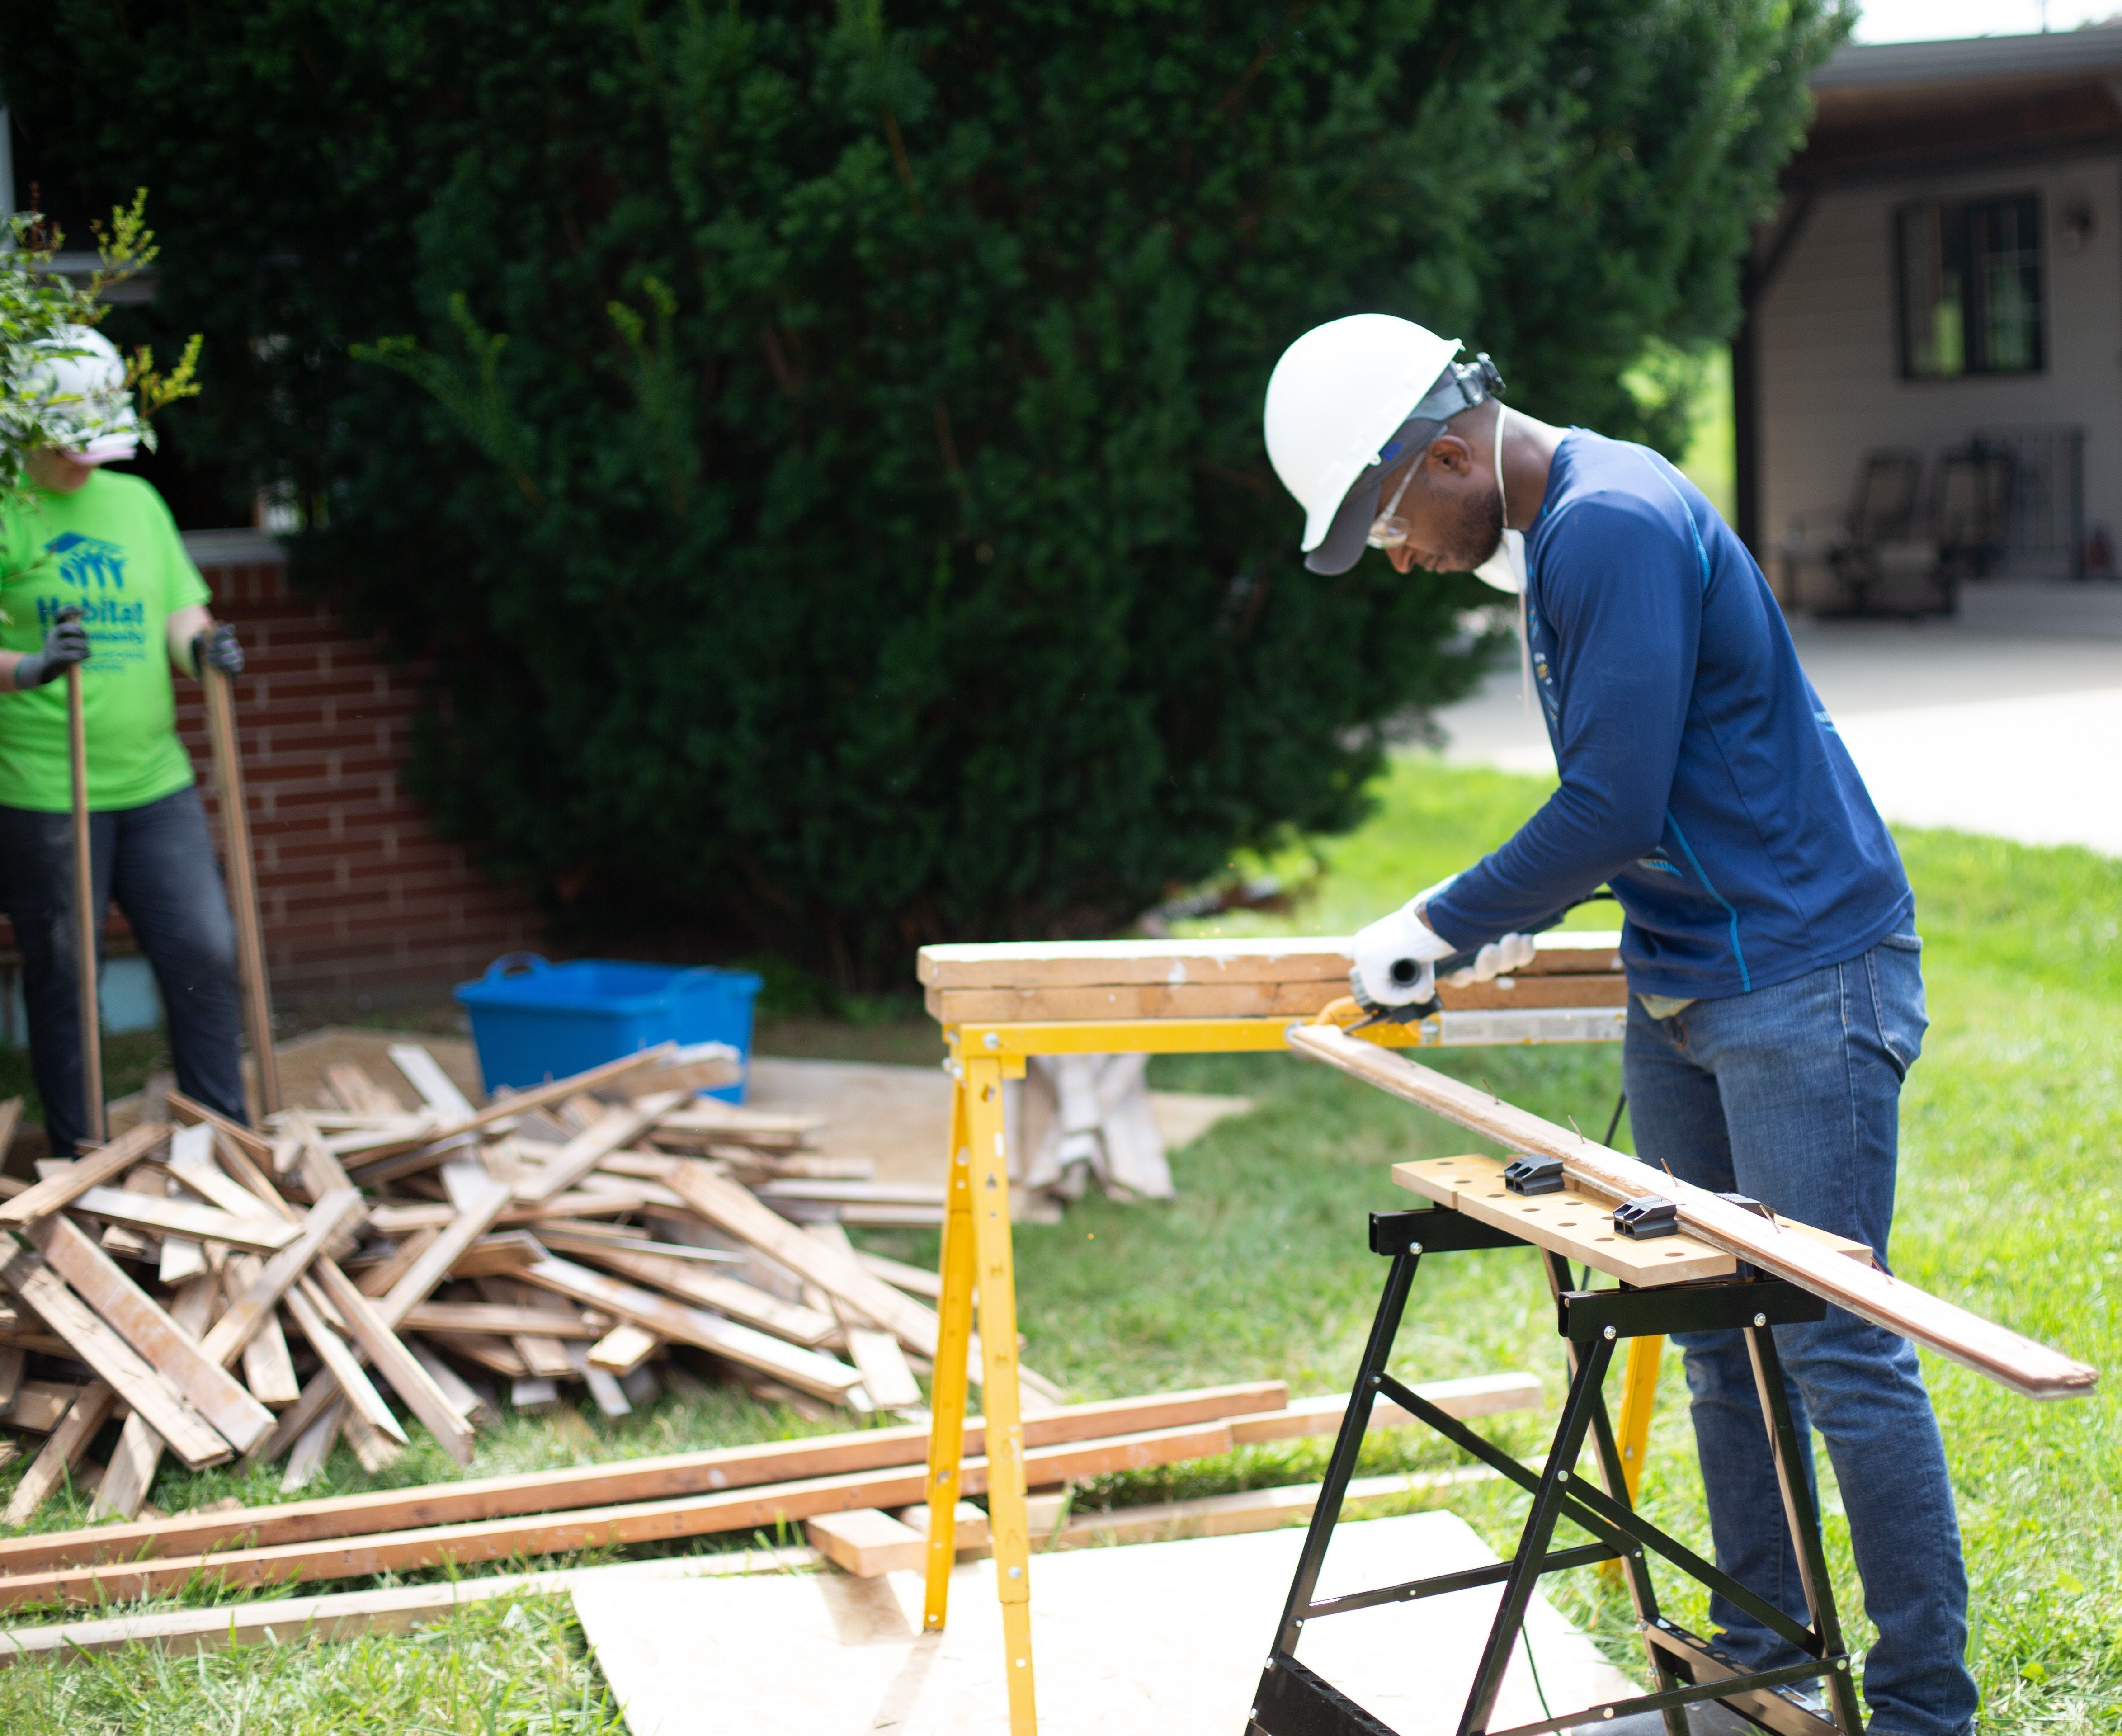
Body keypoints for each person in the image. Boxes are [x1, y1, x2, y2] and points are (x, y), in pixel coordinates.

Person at [1261, 314, 1975, 1736]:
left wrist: (1437, 926)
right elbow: (1631, 787)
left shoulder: (1609, 524)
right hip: (1685, 973)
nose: (1396, 558)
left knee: (1831, 1343)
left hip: (1796, 971)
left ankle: (1916, 1712)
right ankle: (1753, 1658)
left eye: (1388, 518)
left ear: (1450, 451)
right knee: (1712, 1337)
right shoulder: (1556, 533)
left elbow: (1612, 806)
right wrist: (1536, 897)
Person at [0, 326, 249, 1153]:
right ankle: (81, 1159)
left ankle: (225, 1145)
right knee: (68, 977)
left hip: (155, 783)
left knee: (206, 950)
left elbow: (180, 609)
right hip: (47, 788)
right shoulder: (5, 505)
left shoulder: (138, 502)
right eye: (71, 446)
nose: (86, 463)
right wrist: (31, 666)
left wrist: (203, 647)